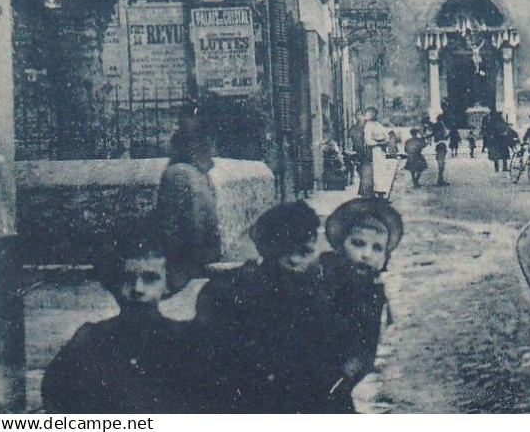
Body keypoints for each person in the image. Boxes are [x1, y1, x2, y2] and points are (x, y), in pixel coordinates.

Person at [195, 201, 331, 412]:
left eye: (304, 252)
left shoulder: (316, 291)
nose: (294, 261)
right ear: (268, 250)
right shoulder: (236, 292)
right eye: (284, 252)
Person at [43, 223, 194, 412]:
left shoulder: (184, 340)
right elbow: (55, 394)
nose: (137, 289)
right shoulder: (90, 339)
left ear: (168, 284)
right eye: (128, 278)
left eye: (150, 278)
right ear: (114, 281)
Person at [319, 198, 404, 412]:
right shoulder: (324, 282)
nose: (366, 255)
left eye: (377, 248)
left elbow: (369, 346)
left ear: (385, 258)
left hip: (345, 382)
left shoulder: (374, 293)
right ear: (340, 246)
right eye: (357, 244)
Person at [154, 118, 221, 292]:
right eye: (205, 143)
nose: (211, 149)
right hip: (187, 259)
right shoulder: (180, 174)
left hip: (200, 257)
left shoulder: (200, 174)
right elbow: (185, 221)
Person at [356, 108, 389, 198]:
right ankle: (373, 191)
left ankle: (381, 191)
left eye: (372, 113)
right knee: (374, 172)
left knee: (381, 171)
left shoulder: (378, 124)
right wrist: (378, 142)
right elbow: (368, 141)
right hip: (372, 151)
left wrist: (384, 142)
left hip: (380, 151)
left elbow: (386, 136)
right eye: (368, 113)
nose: (370, 115)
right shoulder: (368, 126)